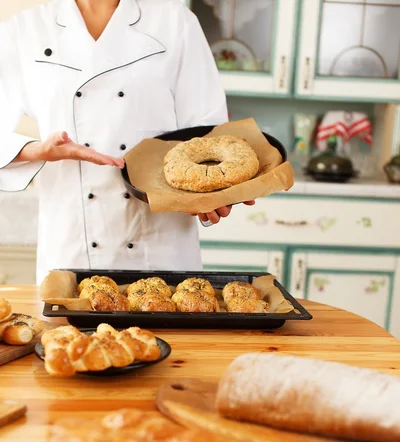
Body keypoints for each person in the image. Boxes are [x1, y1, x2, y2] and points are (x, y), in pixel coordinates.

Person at [0, 0, 255, 283]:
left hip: (160, 245)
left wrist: (216, 196)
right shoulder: (25, 30)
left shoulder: (176, 23)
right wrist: (39, 150)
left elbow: (208, 136)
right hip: (72, 243)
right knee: (69, 326)